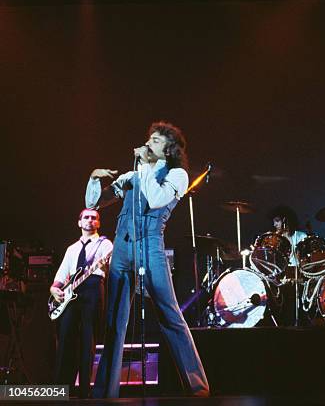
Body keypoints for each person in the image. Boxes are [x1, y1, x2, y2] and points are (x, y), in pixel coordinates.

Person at [85, 121, 209, 397]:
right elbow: (95, 203)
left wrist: (145, 168)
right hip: (122, 246)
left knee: (169, 313)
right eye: (149, 139)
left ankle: (197, 387)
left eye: (155, 140)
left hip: (151, 244)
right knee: (114, 321)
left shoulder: (177, 175)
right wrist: (95, 179)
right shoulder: (134, 174)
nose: (148, 143)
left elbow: (155, 199)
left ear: (169, 147)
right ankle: (105, 392)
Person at [50, 209, 113, 398]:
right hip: (71, 295)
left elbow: (109, 265)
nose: (90, 220)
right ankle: (61, 391)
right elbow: (60, 277)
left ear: (98, 224)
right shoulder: (72, 249)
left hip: (93, 288)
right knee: (65, 340)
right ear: (79, 222)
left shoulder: (105, 244)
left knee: (88, 340)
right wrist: (54, 289)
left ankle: (85, 393)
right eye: (86, 217)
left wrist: (104, 265)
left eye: (94, 218)